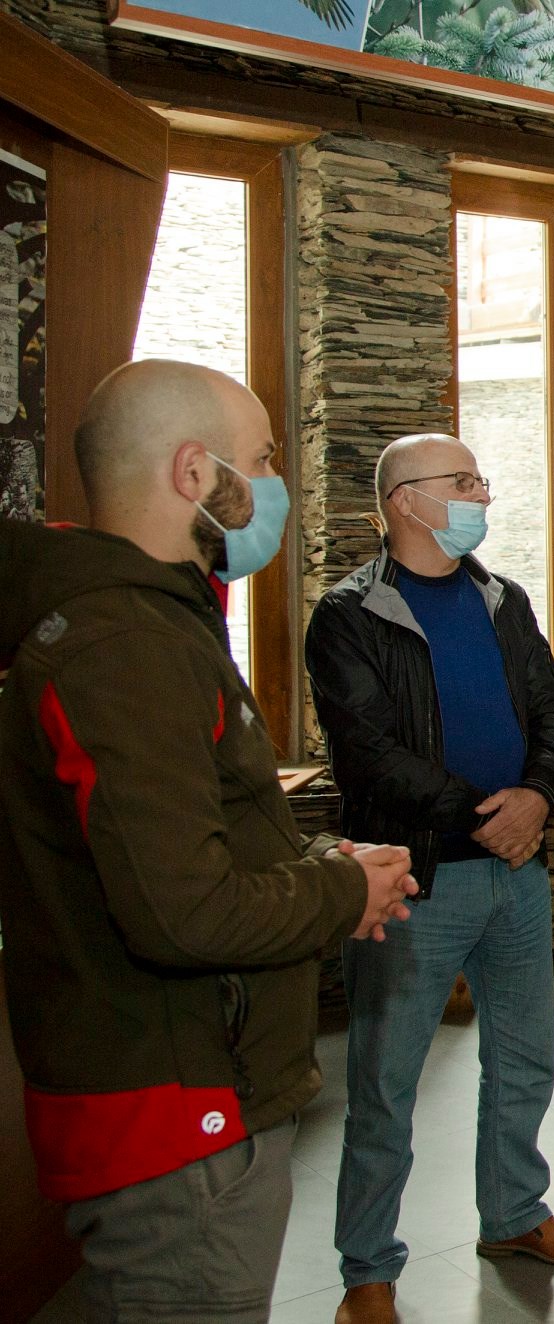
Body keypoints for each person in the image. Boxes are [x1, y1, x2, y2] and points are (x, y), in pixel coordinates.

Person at [0, 360, 417, 1322]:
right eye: (261, 461)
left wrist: (320, 864)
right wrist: (341, 894)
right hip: (178, 1113)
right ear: (195, 474)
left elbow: (192, 841)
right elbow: (183, 912)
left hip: (193, 1090)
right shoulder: (124, 645)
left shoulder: (156, 622)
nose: (274, 486)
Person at [306, 434, 554, 1323]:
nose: (481, 493)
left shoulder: (502, 598)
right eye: (462, 481)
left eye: (480, 479)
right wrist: (487, 813)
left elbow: (552, 709)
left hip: (515, 874)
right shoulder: (349, 614)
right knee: (385, 1084)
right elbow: (365, 752)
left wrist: (539, 795)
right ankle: (368, 1271)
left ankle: (514, 1215)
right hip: (414, 881)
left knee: (524, 1059)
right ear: (405, 499)